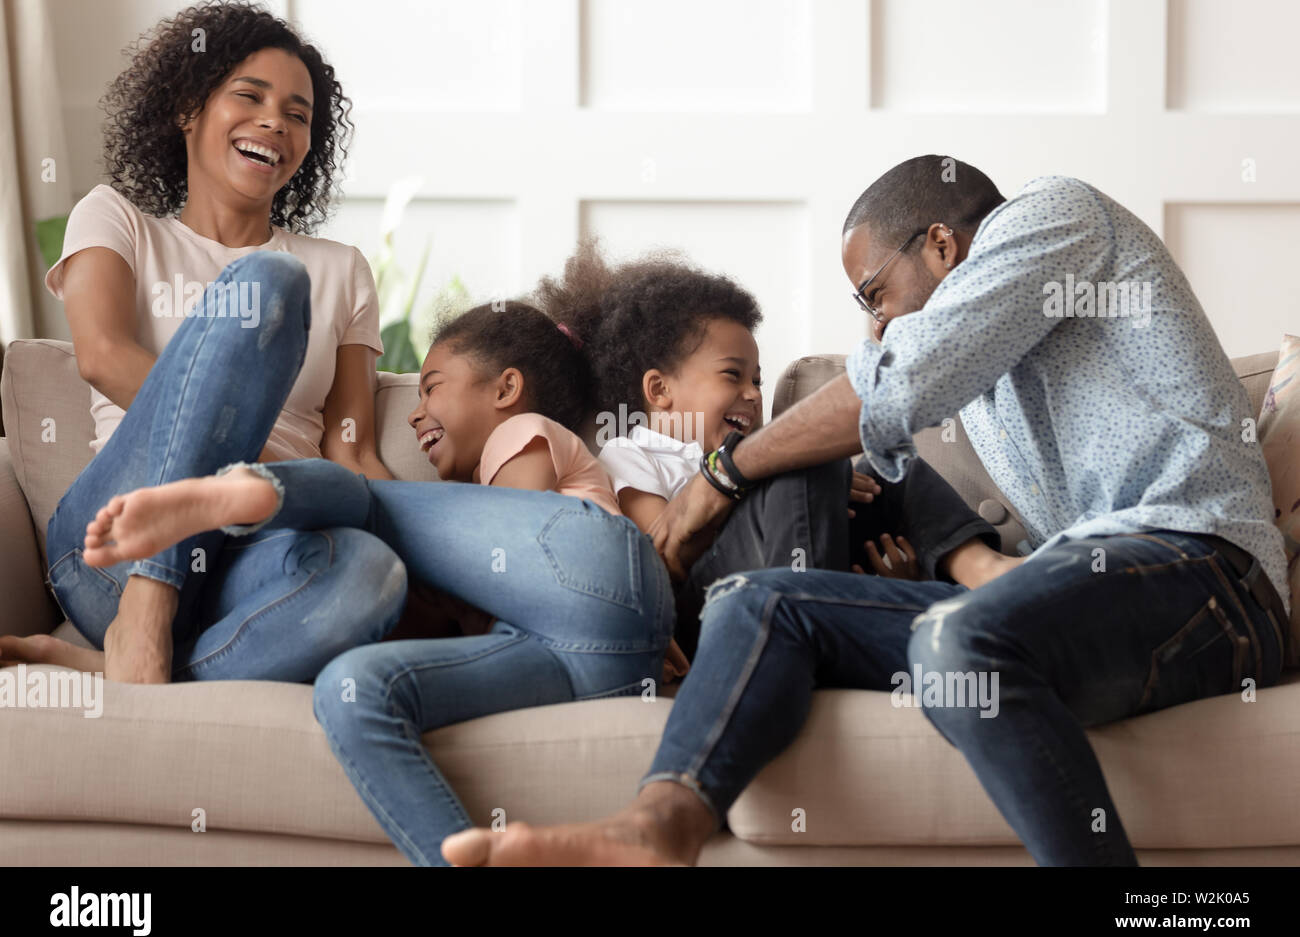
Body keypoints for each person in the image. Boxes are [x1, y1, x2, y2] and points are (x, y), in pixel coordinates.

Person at [438, 155, 1291, 867]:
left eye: (874, 294)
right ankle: (657, 827)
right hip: (1091, 609)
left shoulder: (1055, 215)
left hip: (1206, 578)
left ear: (944, 246)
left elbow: (894, 386)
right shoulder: (986, 378)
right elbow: (885, 404)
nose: (876, 326)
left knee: (958, 638)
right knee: (761, 602)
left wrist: (722, 475)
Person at [70, 300, 675, 867]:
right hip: (593, 667)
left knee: (371, 502)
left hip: (592, 578)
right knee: (353, 691)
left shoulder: (522, 433)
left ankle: (245, 493)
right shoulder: (478, 522)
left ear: (506, 389)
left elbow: (526, 549)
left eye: (432, 386)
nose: (414, 410)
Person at [0, 3, 405, 683]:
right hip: (115, 545)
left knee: (371, 572)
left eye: (298, 114)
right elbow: (101, 356)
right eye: (250, 96)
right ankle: (147, 601)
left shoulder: (342, 270)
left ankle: (123, 664)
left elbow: (353, 451)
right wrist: (246, 459)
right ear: (188, 109)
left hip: (251, 556)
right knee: (269, 284)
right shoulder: (116, 220)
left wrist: (435, 563)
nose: (276, 121)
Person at [535, 240, 1007, 659]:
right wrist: (758, 481)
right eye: (732, 375)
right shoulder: (631, 452)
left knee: (890, 470)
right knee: (799, 463)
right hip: (713, 605)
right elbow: (667, 558)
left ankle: (984, 573)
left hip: (801, 566)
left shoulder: (749, 450)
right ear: (659, 390)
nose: (753, 394)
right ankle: (816, 626)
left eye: (757, 380)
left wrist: (829, 493)